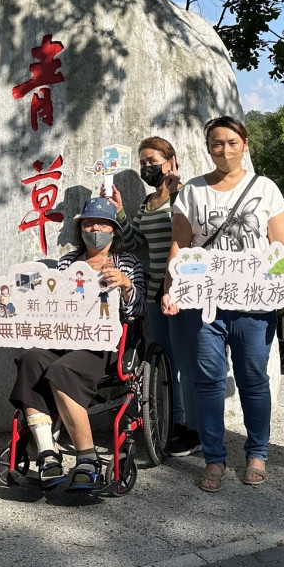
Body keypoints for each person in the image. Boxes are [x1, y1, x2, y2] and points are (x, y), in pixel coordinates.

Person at [163, 116, 284, 492]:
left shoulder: (265, 188)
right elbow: (180, 246)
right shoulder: (192, 191)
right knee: (208, 381)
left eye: (231, 142)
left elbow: (282, 246)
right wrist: (170, 289)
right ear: (207, 147)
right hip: (204, 302)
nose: (224, 150)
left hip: (254, 303)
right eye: (216, 143)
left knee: (253, 378)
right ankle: (214, 457)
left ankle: (257, 452)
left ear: (244, 144)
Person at [9, 197, 145, 492]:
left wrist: (125, 285)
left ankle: (87, 458)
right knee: (31, 358)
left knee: (62, 370)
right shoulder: (67, 262)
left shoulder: (127, 262)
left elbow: (136, 312)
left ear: (114, 229)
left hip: (105, 344)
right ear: (80, 228)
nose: (95, 228)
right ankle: (47, 453)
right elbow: (56, 304)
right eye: (89, 223)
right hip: (66, 338)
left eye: (102, 223)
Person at [106, 136, 199, 456]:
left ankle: (193, 429)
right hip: (154, 290)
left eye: (153, 161)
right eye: (143, 162)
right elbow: (133, 242)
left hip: (182, 290)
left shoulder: (186, 194)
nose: (147, 167)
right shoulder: (148, 202)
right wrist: (120, 211)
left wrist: (175, 192)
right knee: (164, 360)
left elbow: (191, 234)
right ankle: (173, 423)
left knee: (186, 360)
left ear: (171, 162)